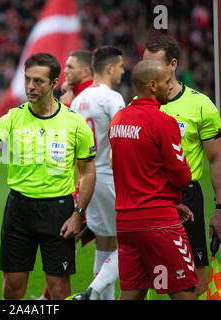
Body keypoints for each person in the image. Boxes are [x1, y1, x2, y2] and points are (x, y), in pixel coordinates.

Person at [0, 52, 97, 300]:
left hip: (59, 211)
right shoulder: (12, 117)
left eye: (38, 81)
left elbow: (88, 172)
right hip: (18, 209)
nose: (31, 87)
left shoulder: (75, 123)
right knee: (13, 287)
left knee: (58, 287)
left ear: (54, 83)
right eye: (27, 80)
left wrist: (78, 213)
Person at [143, 36, 221, 297]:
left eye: (154, 65)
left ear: (173, 64)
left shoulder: (200, 105)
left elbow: (217, 159)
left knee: (195, 277)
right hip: (150, 197)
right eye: (144, 64)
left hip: (187, 196)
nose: (148, 72)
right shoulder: (140, 105)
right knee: (148, 277)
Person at [110, 59, 197, 300]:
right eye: (166, 81)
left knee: (132, 292)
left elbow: (136, 172)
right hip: (159, 223)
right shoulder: (163, 121)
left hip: (127, 223)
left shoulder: (118, 119)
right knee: (186, 292)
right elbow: (181, 177)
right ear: (152, 85)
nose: (171, 86)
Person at [37, 49, 95, 301]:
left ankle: (91, 293)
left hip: (91, 181)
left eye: (69, 67)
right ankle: (52, 297)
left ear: (85, 71)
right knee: (76, 241)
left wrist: (66, 103)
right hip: (84, 179)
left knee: (113, 242)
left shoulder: (83, 99)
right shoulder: (78, 96)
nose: (65, 72)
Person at [70, 46, 125, 300]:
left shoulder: (78, 100)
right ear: (110, 67)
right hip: (109, 177)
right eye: (121, 66)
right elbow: (122, 136)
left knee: (104, 243)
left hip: (87, 180)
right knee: (130, 243)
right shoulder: (112, 98)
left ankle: (103, 298)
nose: (123, 71)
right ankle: (94, 291)